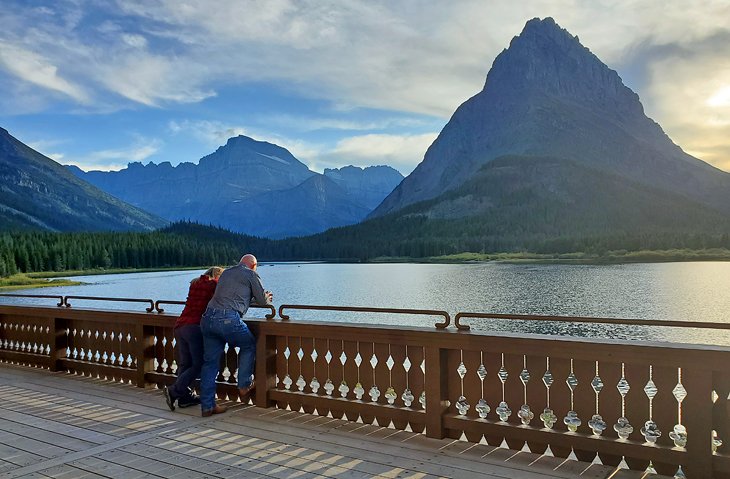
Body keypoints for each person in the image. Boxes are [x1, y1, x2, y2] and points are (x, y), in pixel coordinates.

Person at [199, 254, 272, 417]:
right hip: (228, 320)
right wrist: (266, 297)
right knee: (248, 344)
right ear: (253, 265)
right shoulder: (251, 274)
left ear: (240, 263)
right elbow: (262, 301)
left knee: (210, 363)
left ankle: (207, 406)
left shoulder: (226, 273)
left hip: (208, 319)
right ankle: (244, 384)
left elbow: (233, 297)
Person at [163, 266, 223, 411]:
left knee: (185, 364)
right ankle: (174, 391)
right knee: (198, 364)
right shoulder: (213, 285)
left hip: (180, 326)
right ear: (217, 276)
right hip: (194, 327)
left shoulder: (195, 283)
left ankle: (184, 398)